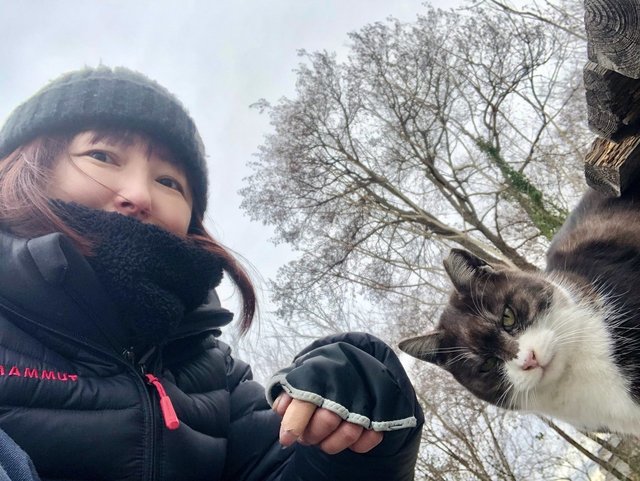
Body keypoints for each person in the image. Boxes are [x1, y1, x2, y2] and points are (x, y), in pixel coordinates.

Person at [0, 66, 424, 481]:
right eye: (102, 156)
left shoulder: (214, 373)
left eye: (169, 182)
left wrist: (358, 431)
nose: (140, 195)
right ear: (23, 167)